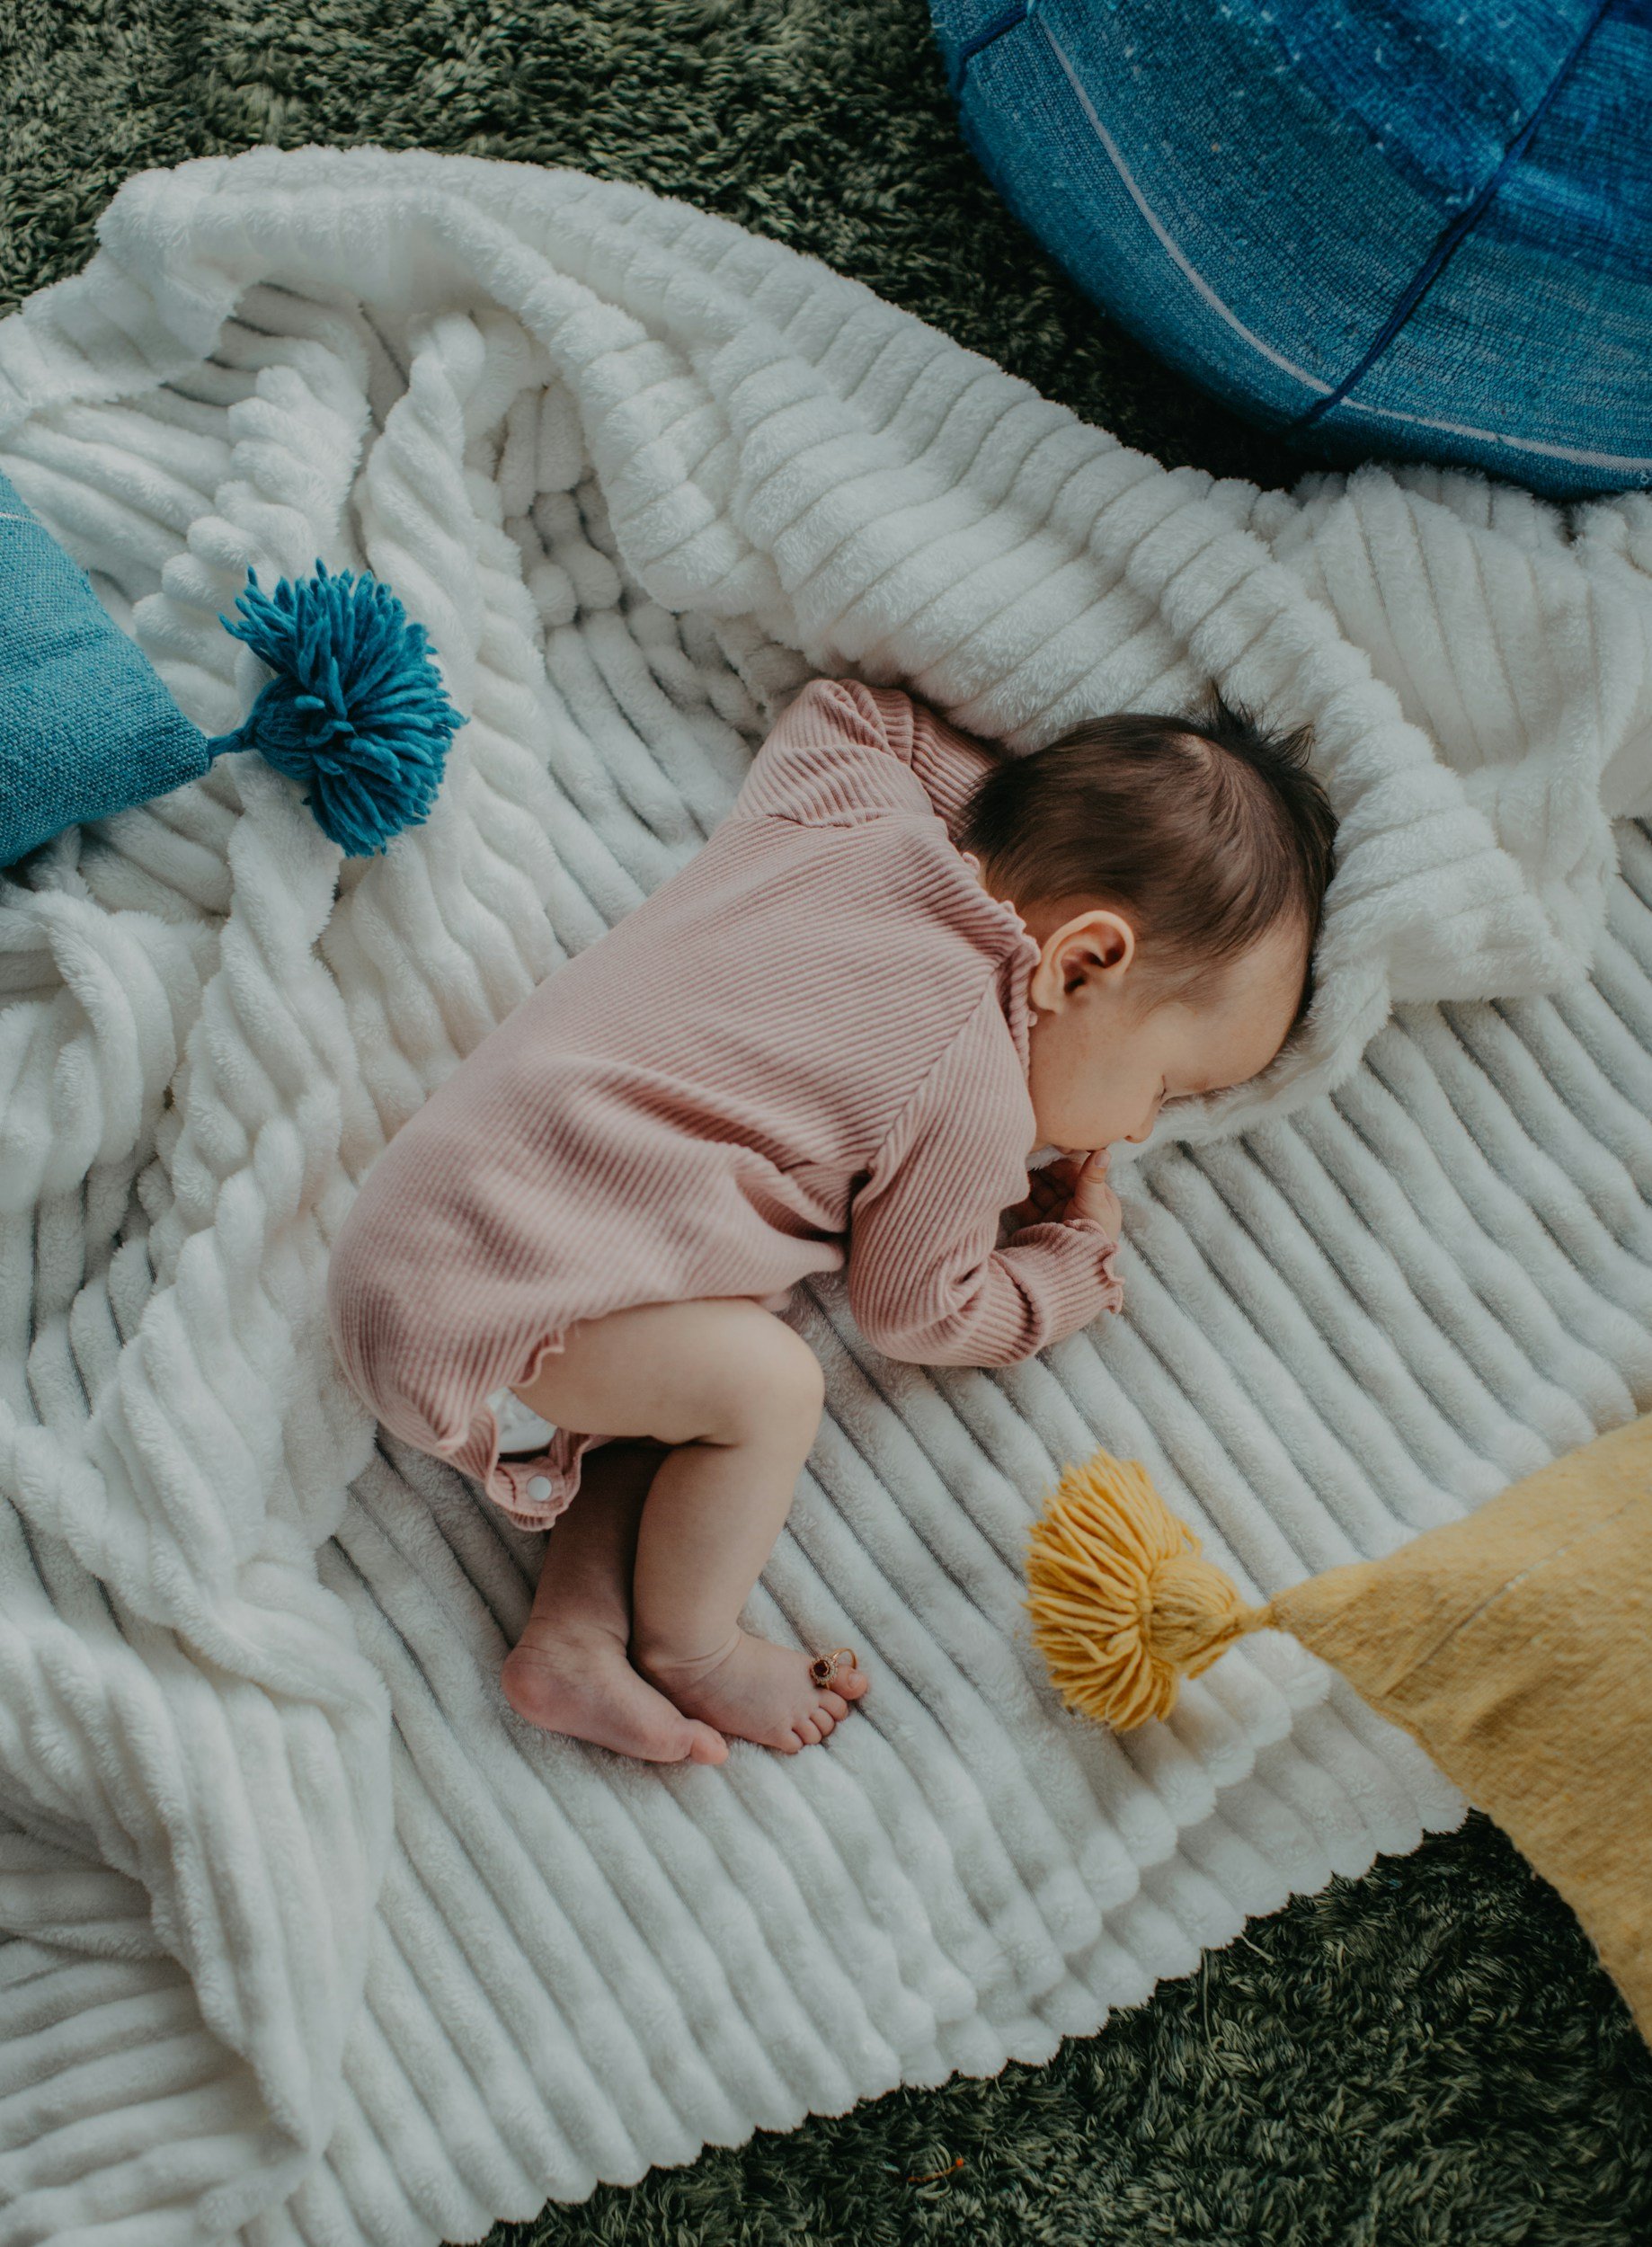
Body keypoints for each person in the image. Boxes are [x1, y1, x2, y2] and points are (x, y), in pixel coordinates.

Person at [328, 677, 1337, 1766]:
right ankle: (692, 1647)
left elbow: (850, 709)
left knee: (689, 1371)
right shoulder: (971, 1085)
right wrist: (1063, 1266)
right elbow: (918, 1311)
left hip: (421, 1233)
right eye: (1166, 1083)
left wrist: (1020, 825)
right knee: (768, 1383)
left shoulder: (853, 809)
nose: (1139, 1128)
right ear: (1082, 963)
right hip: (506, 1313)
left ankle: (573, 1639)